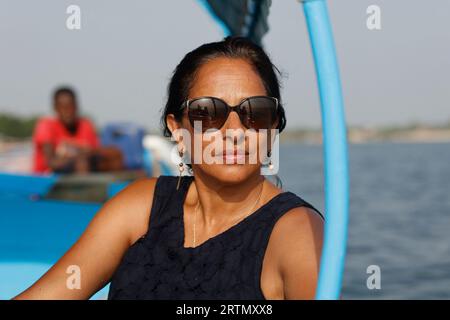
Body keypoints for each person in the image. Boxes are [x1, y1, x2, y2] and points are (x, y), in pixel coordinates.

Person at [14, 36, 324, 300]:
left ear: (272, 127)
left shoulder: (296, 234)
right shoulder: (140, 208)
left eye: (254, 112)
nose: (234, 130)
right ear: (178, 129)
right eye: (208, 113)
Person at [32, 87, 123, 174]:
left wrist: (89, 152)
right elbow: (51, 162)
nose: (68, 112)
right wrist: (78, 155)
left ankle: (120, 187)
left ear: (76, 106)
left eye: (71, 107)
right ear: (56, 108)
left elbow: (94, 151)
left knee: (114, 155)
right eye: (63, 108)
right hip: (52, 176)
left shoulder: (85, 125)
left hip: (81, 169)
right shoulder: (46, 126)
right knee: (81, 162)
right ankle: (86, 189)